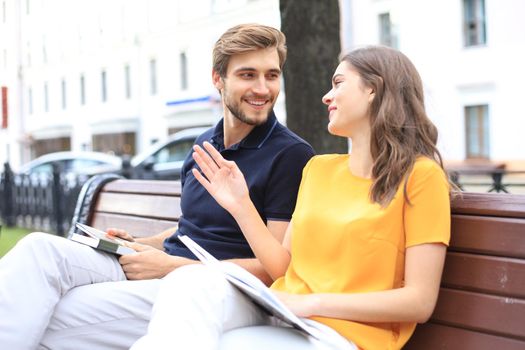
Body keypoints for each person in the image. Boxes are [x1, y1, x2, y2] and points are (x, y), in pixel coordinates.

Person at [0, 23, 314, 350]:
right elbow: (193, 227)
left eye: (272, 75)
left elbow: (273, 268)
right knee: (39, 251)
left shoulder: (290, 155)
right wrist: (140, 242)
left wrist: (171, 267)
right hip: (166, 270)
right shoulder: (205, 144)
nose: (262, 88)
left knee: (46, 312)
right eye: (248, 75)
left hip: (219, 291)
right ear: (218, 79)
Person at [130, 46, 453, 350]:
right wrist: (240, 205)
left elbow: (419, 301)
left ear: (373, 89)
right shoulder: (319, 169)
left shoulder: (420, 177)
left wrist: (312, 302)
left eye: (339, 83)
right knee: (188, 284)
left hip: (342, 333)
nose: (327, 96)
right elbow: (283, 266)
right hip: (282, 314)